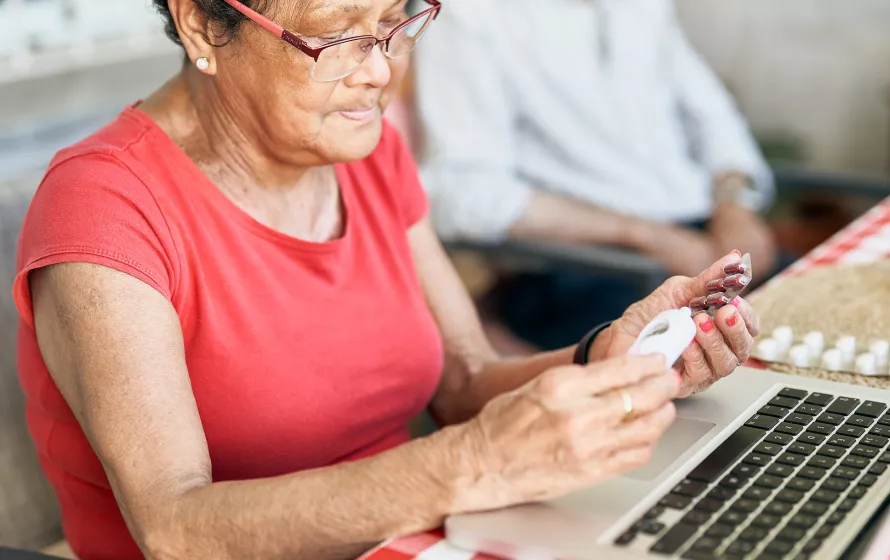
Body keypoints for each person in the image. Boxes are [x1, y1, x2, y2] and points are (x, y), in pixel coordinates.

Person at [13, 1, 759, 558]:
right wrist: (465, 464)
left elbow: (463, 381)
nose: (381, 70)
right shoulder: (105, 203)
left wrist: (609, 356)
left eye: (395, 23)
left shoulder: (365, 150)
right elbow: (173, 528)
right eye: (338, 35)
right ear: (205, 27)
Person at [414, 0, 781, 350]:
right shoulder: (469, 13)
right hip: (588, 269)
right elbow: (461, 193)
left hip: (701, 238)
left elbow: (716, 123)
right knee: (744, 368)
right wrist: (645, 235)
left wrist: (735, 208)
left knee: (814, 318)